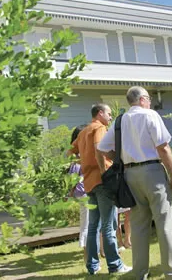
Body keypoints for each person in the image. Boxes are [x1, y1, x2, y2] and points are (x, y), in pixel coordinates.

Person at [98, 86, 172, 280]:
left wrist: (120, 156)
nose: (150, 101)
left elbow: (103, 148)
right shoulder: (150, 115)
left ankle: (140, 273)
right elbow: (163, 148)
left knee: (139, 225)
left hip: (129, 175)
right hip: (152, 171)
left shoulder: (120, 120)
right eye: (148, 98)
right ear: (142, 99)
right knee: (164, 223)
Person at [68, 103, 131, 275]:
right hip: (101, 183)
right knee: (108, 225)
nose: (110, 117)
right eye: (109, 114)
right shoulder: (99, 128)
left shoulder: (82, 132)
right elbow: (99, 150)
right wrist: (104, 173)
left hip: (88, 184)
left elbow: (70, 151)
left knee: (93, 227)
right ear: (100, 113)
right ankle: (115, 265)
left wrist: (82, 162)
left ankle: (92, 267)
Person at [66, 125, 89, 262]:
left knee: (90, 222)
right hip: (85, 193)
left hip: (86, 192)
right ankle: (87, 254)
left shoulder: (80, 155)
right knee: (87, 223)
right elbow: (73, 178)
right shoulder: (77, 157)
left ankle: (94, 251)